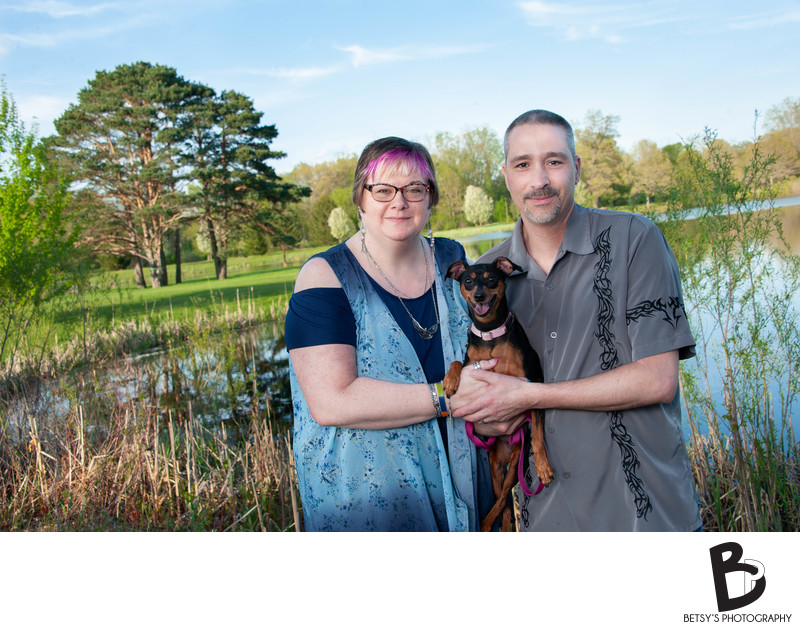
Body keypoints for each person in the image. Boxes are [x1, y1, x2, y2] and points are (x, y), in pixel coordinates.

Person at [450, 110, 702, 531]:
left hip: (644, 511)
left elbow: (658, 380)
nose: (539, 180)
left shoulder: (635, 239)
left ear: (577, 167)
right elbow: (483, 393)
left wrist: (528, 396)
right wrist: (484, 411)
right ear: (507, 175)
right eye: (523, 164)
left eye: (554, 161)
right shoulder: (487, 273)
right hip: (548, 519)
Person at [285, 136, 490, 531]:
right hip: (371, 493)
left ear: (430, 199)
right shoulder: (324, 276)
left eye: (415, 189)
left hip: (461, 472)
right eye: (383, 190)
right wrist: (447, 398)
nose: (399, 201)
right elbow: (332, 402)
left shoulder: (451, 258)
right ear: (360, 198)